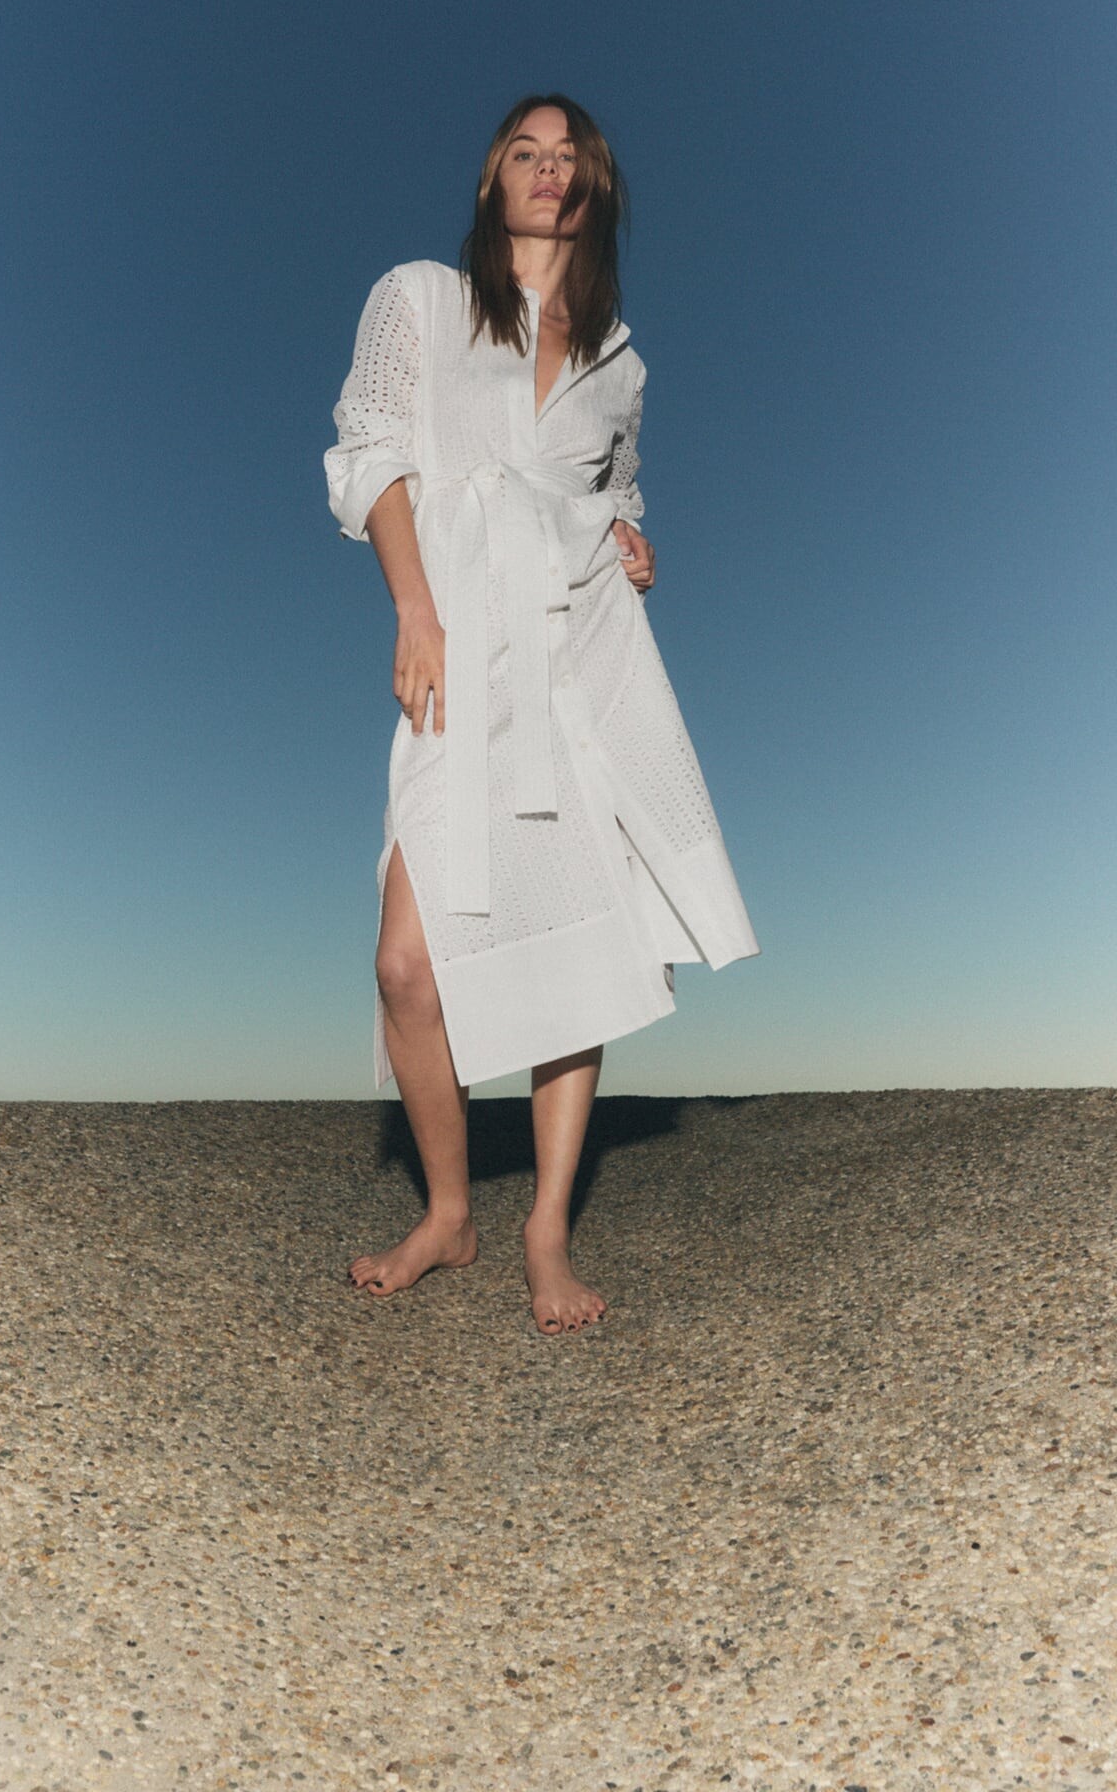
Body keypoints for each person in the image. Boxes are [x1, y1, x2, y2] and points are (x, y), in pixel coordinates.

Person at [324, 93, 759, 1336]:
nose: (548, 169)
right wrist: (415, 611)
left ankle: (545, 1229)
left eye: (570, 158)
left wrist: (631, 540)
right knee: (407, 963)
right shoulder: (419, 298)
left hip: (578, 660)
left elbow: (616, 488)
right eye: (526, 151)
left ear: (594, 188)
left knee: (582, 943)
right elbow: (371, 453)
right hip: (461, 652)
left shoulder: (622, 362)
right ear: (492, 179)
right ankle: (448, 1212)